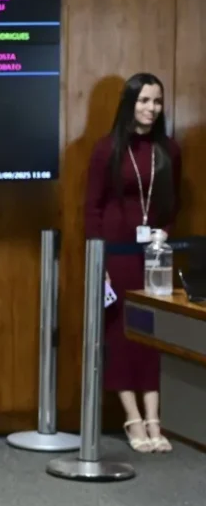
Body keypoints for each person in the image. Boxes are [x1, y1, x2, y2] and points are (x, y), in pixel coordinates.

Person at [85, 73, 182, 453]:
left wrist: (165, 233)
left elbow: (173, 205)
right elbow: (92, 208)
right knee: (121, 333)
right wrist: (99, 258)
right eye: (144, 101)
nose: (151, 109)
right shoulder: (107, 148)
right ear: (130, 103)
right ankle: (132, 418)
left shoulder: (169, 150)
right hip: (116, 254)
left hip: (154, 254)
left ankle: (155, 418)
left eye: (157, 102)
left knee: (153, 331)